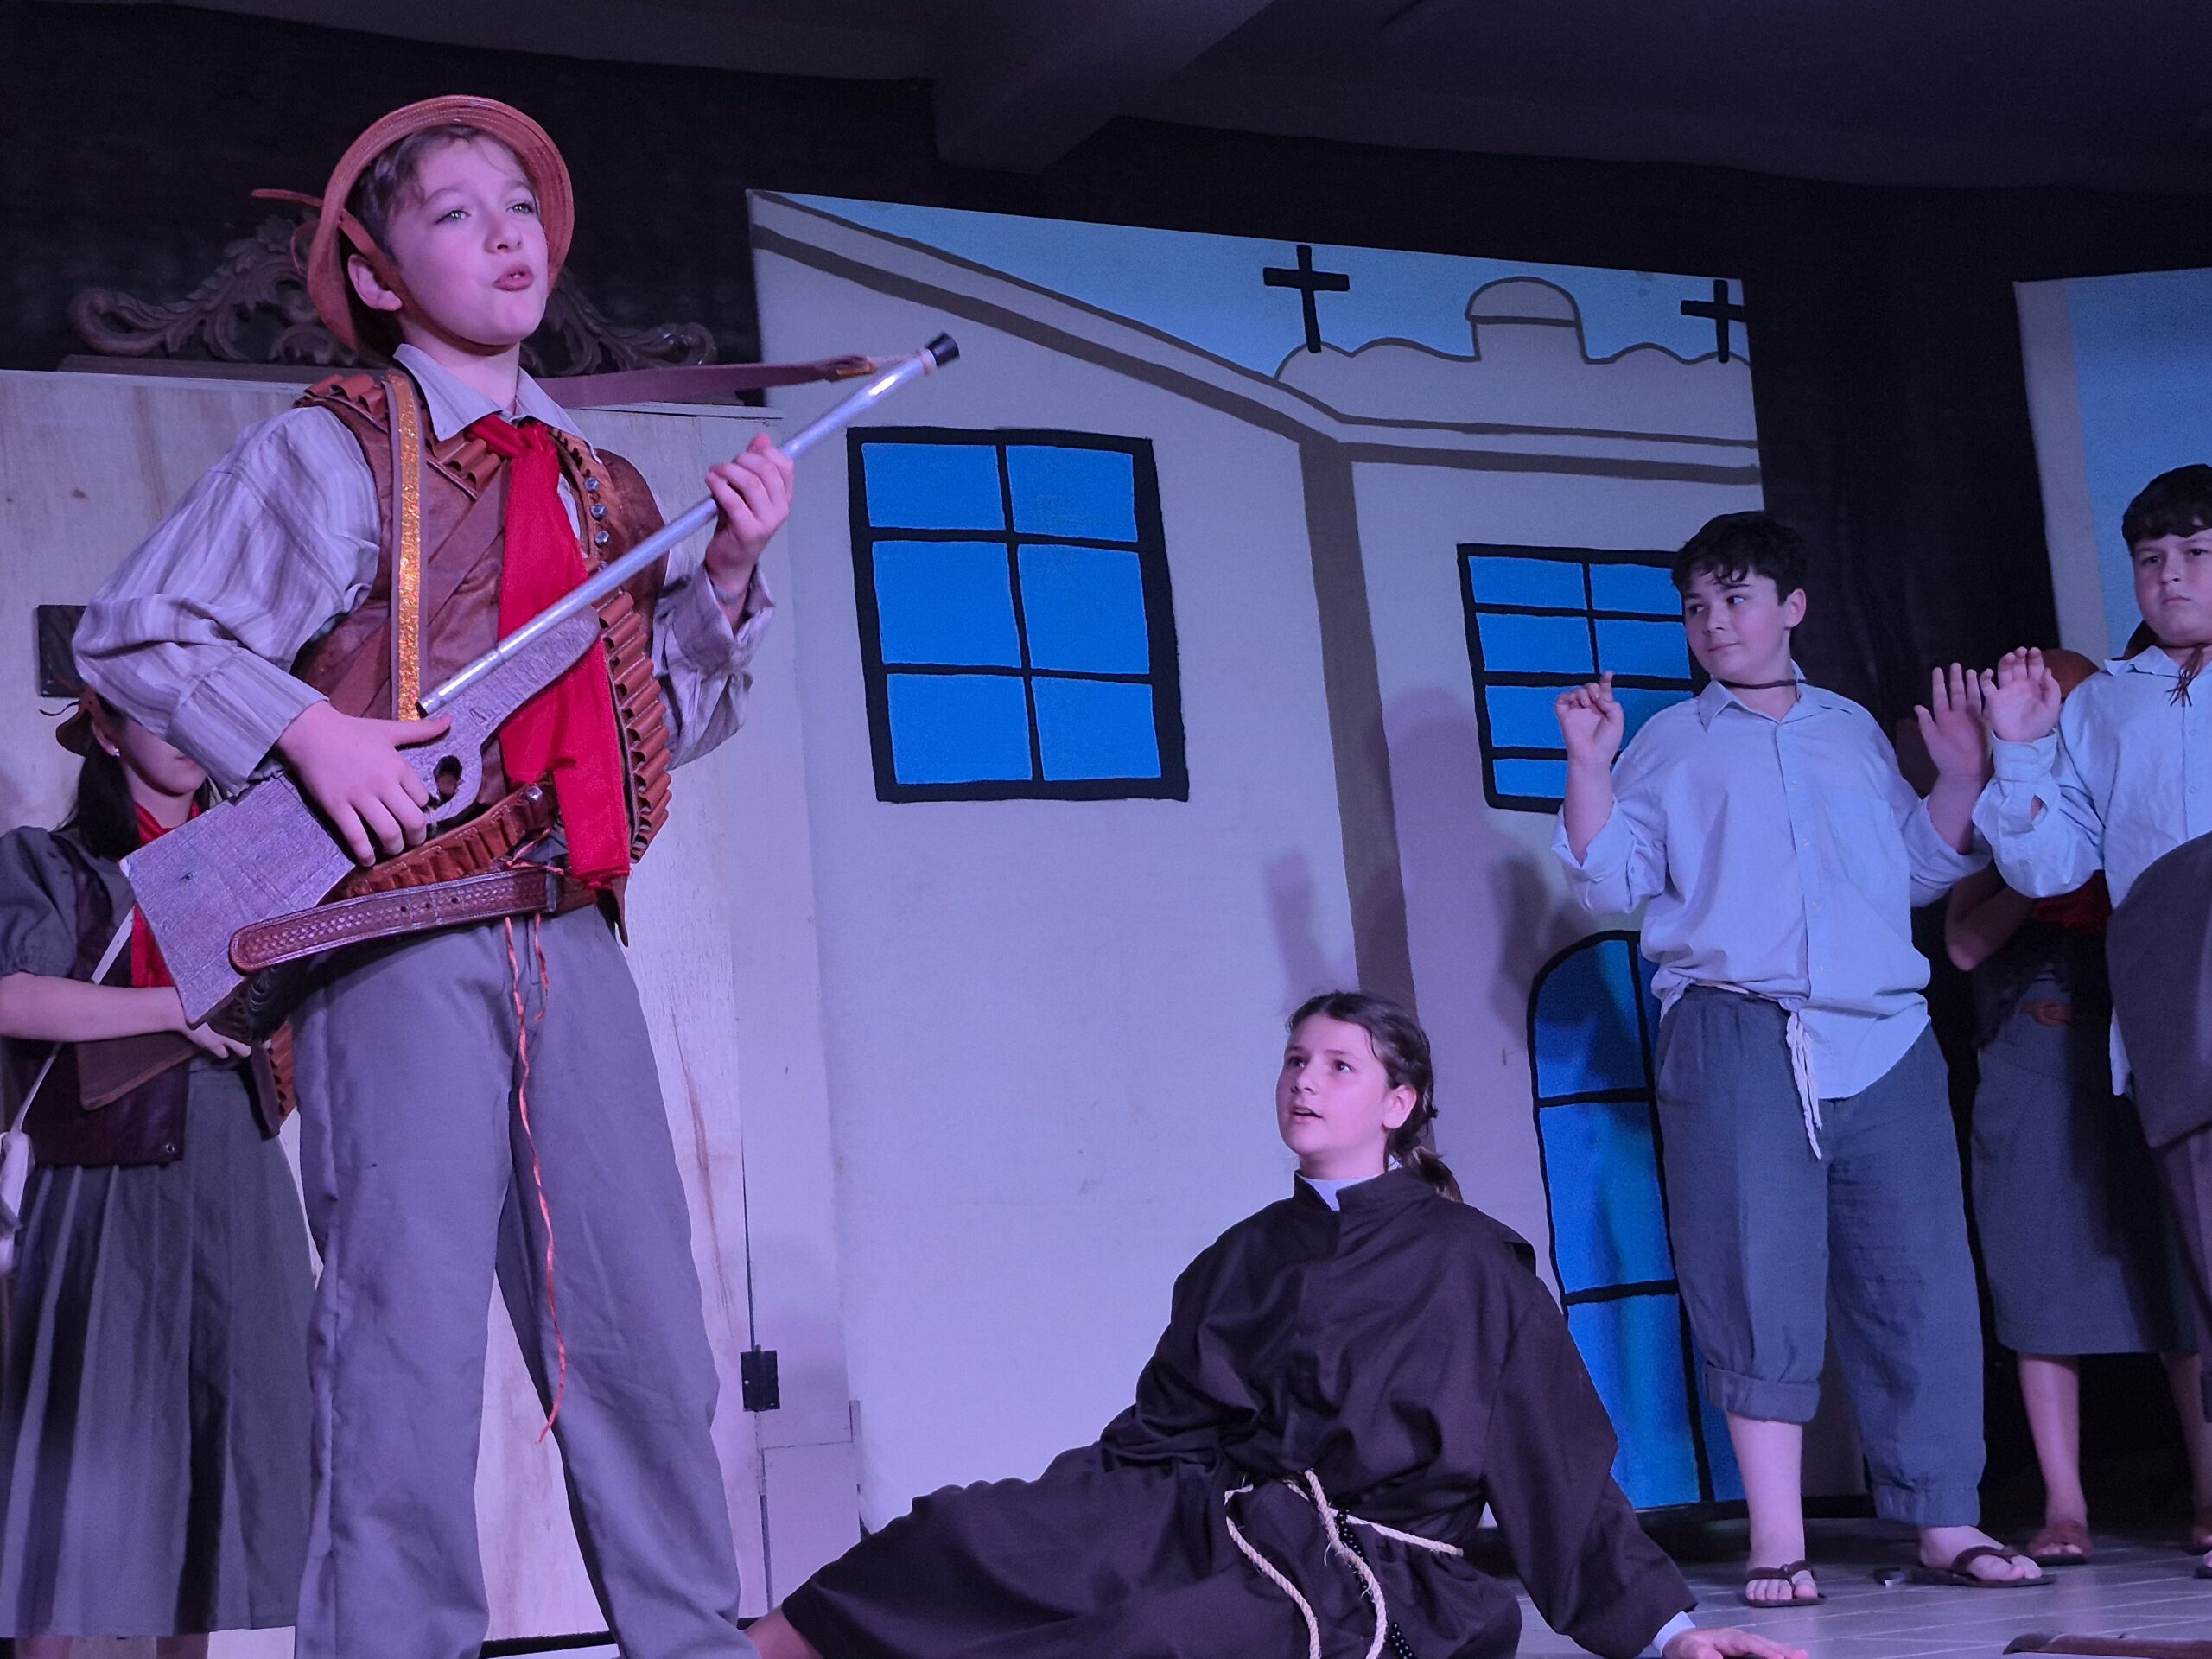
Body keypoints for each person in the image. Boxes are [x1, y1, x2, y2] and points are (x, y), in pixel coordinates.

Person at [73, 96, 792, 1659]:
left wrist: (728, 577)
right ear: (378, 272)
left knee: (641, 1339)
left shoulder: (597, 486)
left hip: (565, 931)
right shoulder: (330, 450)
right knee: (399, 1339)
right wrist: (309, 730)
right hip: (391, 937)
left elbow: (649, 728)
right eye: (456, 212)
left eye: (521, 204)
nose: (507, 234)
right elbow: (137, 633)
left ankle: (689, 1642)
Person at [744, 993, 1801, 1659]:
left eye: (1339, 1065)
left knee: (1144, 1640)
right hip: (1216, 1517)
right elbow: (1158, 1438)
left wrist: (1670, 1635)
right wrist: (1060, 1522)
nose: (1304, 1080)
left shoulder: (1476, 1264)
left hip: (1379, 1575)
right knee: (961, 1530)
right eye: (1296, 1060)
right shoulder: (1241, 1254)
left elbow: (1555, 1467)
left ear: (1398, 1104)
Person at [1552, 511, 2042, 1604]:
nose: (1714, 622)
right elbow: (1607, 881)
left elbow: (1912, 872)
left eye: (1735, 599)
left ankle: (1944, 1521)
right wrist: (1588, 767)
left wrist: (1958, 780)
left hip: (1881, 1032)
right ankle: (1777, 1538)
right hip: (1736, 1029)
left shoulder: (1850, 730)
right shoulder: (1671, 741)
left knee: (1917, 1276)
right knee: (1749, 1274)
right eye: (1697, 606)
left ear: (1792, 607)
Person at [0, 693, 312, 1656]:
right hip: (105, 1186)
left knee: (204, 1493)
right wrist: (174, 1008)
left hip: (237, 1183)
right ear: (105, 730)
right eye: (151, 714)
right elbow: (13, 996)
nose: (180, 737)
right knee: (81, 1489)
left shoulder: (255, 857)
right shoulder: (49, 861)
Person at [1977, 464, 2212, 1576]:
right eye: (2150, 560)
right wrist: (2023, 745)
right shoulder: (2107, 703)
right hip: (2177, 1020)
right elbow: (2049, 864)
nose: (2170, 578)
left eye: (2196, 554)